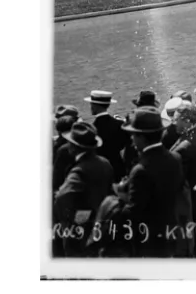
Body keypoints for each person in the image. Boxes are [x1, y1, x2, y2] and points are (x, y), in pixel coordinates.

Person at [110, 107, 186, 258]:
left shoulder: (140, 169)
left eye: (133, 135)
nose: (131, 139)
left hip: (148, 239)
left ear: (141, 137)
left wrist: (119, 198)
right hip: (170, 230)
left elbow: (134, 212)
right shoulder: (175, 158)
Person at [53, 122, 115, 257]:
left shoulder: (79, 170)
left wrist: (66, 219)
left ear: (75, 147)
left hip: (80, 226)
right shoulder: (105, 163)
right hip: (101, 221)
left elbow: (62, 197)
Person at [84, 90, 128, 179]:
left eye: (91, 104)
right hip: (118, 169)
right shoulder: (119, 124)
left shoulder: (91, 129)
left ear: (95, 106)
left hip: (99, 173)